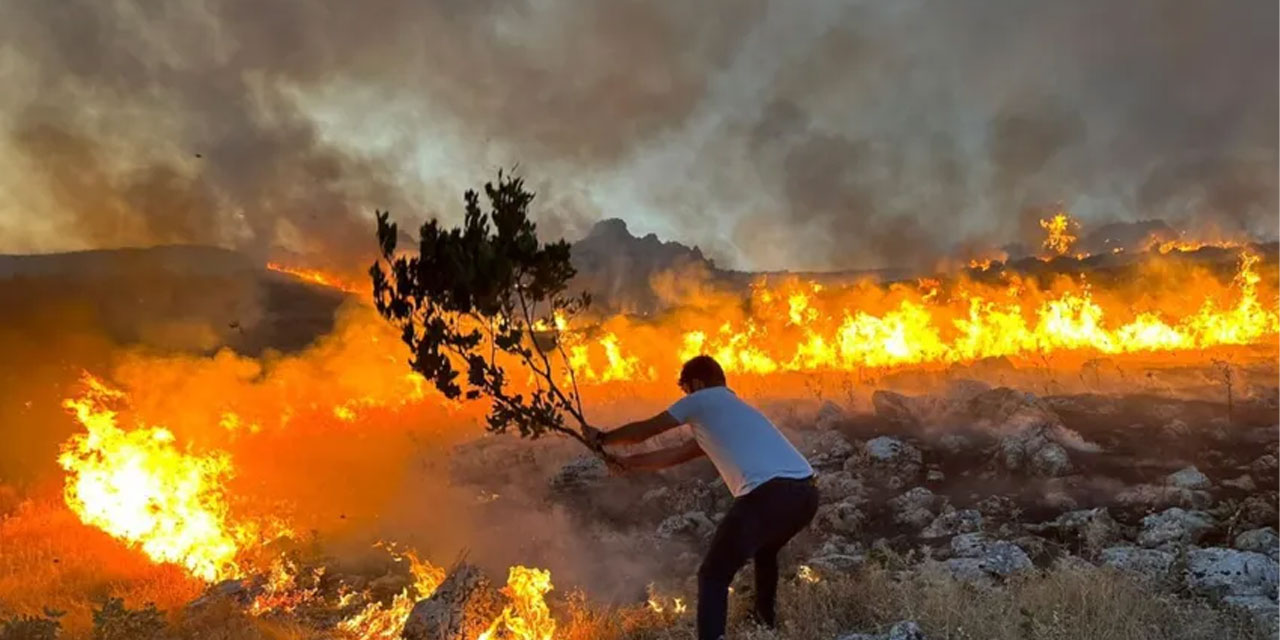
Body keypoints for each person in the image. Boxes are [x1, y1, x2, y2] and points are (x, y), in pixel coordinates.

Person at [586, 355, 818, 640]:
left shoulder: (702, 399)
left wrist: (602, 439)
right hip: (806, 494)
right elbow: (676, 454)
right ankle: (764, 623)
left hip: (769, 494)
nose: (686, 396)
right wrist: (629, 464)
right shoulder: (733, 410)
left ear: (695, 384)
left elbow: (647, 430)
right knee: (765, 552)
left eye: (685, 390)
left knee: (712, 575)